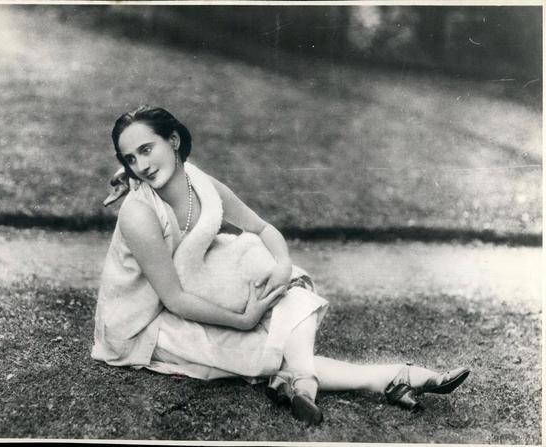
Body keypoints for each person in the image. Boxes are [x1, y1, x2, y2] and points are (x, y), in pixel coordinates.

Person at [91, 105, 469, 426]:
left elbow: (261, 228)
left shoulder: (200, 184)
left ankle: (306, 381)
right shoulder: (138, 214)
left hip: (193, 288)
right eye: (130, 159)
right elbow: (172, 298)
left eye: (146, 149)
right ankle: (393, 377)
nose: (141, 164)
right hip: (145, 324)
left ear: (173, 141)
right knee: (260, 349)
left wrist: (284, 264)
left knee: (286, 289)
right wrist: (243, 318)